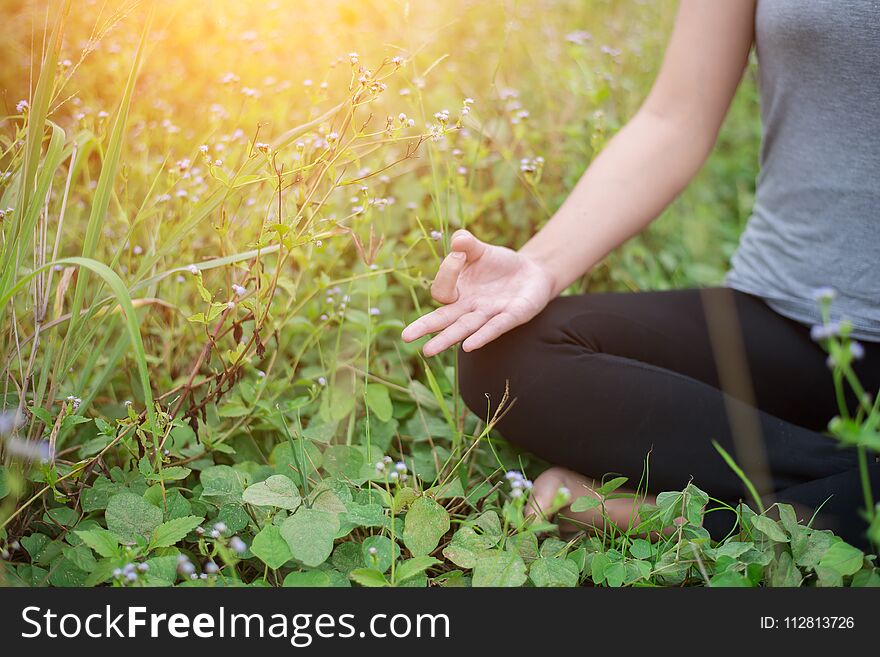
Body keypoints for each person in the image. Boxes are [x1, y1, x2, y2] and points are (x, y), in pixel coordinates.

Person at [401, 0, 880, 548]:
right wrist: (540, 266)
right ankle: (844, 493)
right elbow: (674, 119)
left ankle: (681, 519)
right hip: (789, 316)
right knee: (500, 355)